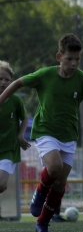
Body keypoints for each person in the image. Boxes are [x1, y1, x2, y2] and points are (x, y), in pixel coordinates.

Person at [0, 33, 83, 232]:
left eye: (77, 59)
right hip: (45, 131)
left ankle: (42, 224)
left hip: (69, 135)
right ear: (59, 57)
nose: (74, 64)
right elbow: (17, 84)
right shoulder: (45, 75)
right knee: (55, 167)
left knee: (60, 183)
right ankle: (40, 193)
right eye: (69, 59)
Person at [0, 61, 31, 217]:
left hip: (8, 149)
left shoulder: (15, 100)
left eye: (7, 80)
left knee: (1, 184)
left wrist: (20, 135)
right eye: (0, 79)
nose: (3, 82)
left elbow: (25, 118)